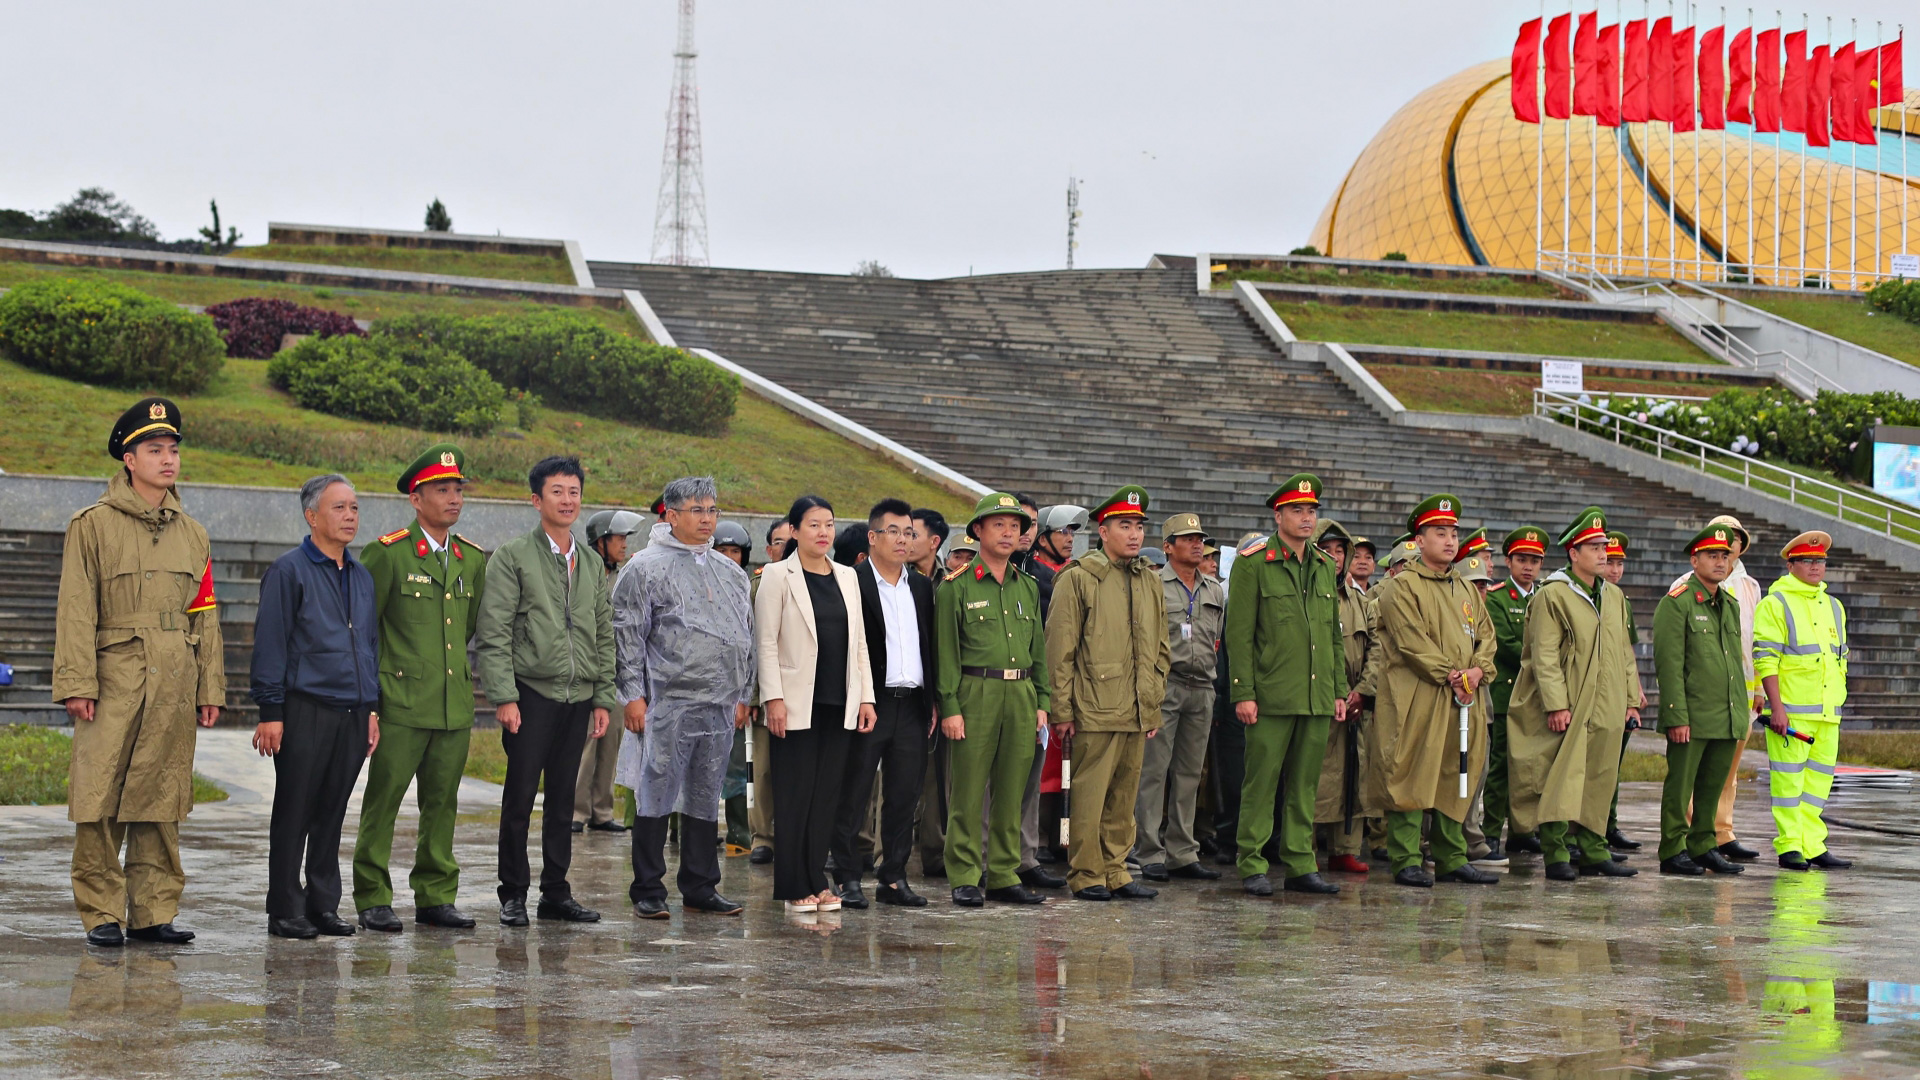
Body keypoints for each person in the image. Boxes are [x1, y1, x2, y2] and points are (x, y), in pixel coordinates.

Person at [55, 398, 224, 948]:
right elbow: (76, 607)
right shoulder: (92, 525)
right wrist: (78, 683)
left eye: (173, 450)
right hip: (114, 679)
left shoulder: (193, 533)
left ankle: (153, 911)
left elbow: (206, 616)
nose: (168, 460)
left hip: (174, 680)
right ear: (129, 459)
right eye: (155, 450)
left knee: (162, 793)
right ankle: (102, 912)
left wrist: (209, 686)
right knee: (99, 795)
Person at [352, 444, 487, 935]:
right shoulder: (388, 553)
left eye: (457, 489)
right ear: (416, 498)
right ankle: (372, 896)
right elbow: (364, 630)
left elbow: (467, 627)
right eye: (441, 490)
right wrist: (370, 700)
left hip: (452, 706)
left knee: (443, 802)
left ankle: (435, 895)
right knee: (383, 801)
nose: (453, 498)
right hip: (401, 703)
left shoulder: (470, 559)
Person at [475, 456, 615, 927]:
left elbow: (602, 632)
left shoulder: (592, 562)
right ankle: (512, 892)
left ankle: (556, 891)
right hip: (531, 695)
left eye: (574, 491)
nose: (567, 500)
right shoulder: (513, 556)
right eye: (557, 491)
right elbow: (493, 632)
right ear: (537, 500)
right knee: (518, 799)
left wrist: (601, 696)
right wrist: (505, 696)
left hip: (578, 698)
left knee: (562, 802)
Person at [614, 476, 754, 919]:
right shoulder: (645, 568)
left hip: (719, 703)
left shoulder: (730, 572)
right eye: (697, 510)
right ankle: (648, 887)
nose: (707, 519)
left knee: (705, 792)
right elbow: (628, 636)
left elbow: (744, 636)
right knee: (656, 790)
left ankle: (700, 884)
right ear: (671, 515)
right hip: (666, 702)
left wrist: (744, 692)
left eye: (712, 509)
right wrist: (632, 695)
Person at [251, 474, 381, 939]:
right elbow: (270, 643)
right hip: (305, 707)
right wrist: (271, 712)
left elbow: (369, 644)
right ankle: (286, 908)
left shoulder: (361, 575)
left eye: (354, 508)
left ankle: (324, 904)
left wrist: (371, 708)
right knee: (295, 810)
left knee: (332, 811)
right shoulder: (289, 571)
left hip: (352, 711)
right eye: (339, 508)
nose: (350, 516)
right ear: (312, 516)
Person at [1225, 474, 1347, 897]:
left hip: (1314, 695)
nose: (1307, 518)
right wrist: (1243, 691)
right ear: (1278, 515)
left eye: (1312, 511)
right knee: (1261, 782)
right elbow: (1238, 633)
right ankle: (1252, 863)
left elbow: (1333, 632)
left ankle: (1300, 862)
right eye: (1297, 510)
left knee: (1304, 784)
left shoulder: (1325, 564)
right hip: (1271, 694)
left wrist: (1337, 689)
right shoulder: (1254, 561)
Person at [755, 495, 878, 913]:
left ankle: (817, 880)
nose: (823, 532)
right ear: (793, 531)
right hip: (794, 703)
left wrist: (866, 697)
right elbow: (766, 643)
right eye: (813, 525)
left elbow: (859, 642)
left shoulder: (848, 576)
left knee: (827, 795)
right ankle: (794, 886)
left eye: (829, 524)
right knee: (795, 795)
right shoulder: (777, 575)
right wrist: (772, 698)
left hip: (838, 701)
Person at [1047, 486, 1169, 902]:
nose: (1134, 534)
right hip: (1094, 707)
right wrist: (1062, 710)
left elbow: (1161, 648)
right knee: (1090, 794)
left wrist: (1151, 703)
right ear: (1103, 530)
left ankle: (1117, 869)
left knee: (1124, 796)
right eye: (1124, 525)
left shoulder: (1148, 582)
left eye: (1139, 526)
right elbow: (1059, 651)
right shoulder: (1079, 578)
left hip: (1136, 708)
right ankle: (1086, 873)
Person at [1369, 496, 1498, 887]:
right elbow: (1412, 643)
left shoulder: (1466, 588)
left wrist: (1479, 670)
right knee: (1410, 775)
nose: (1449, 540)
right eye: (1439, 532)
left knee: (1454, 773)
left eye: (1453, 532)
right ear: (1419, 540)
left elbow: (1487, 637)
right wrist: (1457, 675)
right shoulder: (1402, 587)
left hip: (1463, 697)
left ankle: (1451, 856)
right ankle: (1406, 857)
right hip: (1419, 698)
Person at [1507, 507, 1641, 882]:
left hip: (1607, 701)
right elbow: (1543, 655)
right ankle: (1556, 851)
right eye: (1594, 548)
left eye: (1604, 547)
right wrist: (1556, 704)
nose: (1603, 554)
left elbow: (1622, 652)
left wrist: (1631, 699)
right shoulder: (1555, 594)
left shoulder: (1612, 596)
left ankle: (1594, 850)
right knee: (1560, 777)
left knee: (1599, 776)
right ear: (1573, 553)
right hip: (1570, 702)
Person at [935, 493, 1052, 905]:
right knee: (967, 791)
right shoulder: (956, 587)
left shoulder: (1028, 588)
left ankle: (1004, 872)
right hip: (975, 692)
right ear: (978, 531)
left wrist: (1042, 700)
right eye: (999, 524)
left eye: (1016, 526)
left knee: (1012, 789)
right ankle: (965, 873)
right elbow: (946, 653)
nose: (1009, 533)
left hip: (1020, 694)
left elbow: (1038, 649)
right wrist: (949, 706)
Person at [833, 499, 937, 908]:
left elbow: (928, 647)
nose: (902, 539)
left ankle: (892, 877)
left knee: (904, 795)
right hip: (866, 704)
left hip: (911, 705)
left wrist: (933, 701)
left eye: (908, 532)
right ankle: (845, 876)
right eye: (892, 531)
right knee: (853, 793)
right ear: (873, 537)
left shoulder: (922, 587)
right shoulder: (850, 582)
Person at [1653, 524, 1750, 876]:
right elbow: (1669, 663)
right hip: (1691, 715)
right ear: (1695, 560)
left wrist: (1739, 709)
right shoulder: (1677, 602)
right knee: (1680, 787)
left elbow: (1732, 662)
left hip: (1725, 714)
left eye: (1725, 555)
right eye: (1712, 555)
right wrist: (1676, 715)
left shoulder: (1729, 603)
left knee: (1712, 786)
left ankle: (1704, 845)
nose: (1720, 562)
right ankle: (1672, 849)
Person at [1134, 512, 1225, 882]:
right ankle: (1148, 851)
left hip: (1202, 687)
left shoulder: (1214, 589)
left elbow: (1216, 638)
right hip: (1166, 685)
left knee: (1190, 774)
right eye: (1187, 539)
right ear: (1168, 546)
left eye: (1199, 538)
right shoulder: (1154, 584)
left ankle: (1183, 851)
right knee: (1153, 772)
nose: (1196, 544)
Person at [1753, 531, 1851, 872]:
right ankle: (1790, 846)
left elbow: (1840, 658)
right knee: (1788, 783)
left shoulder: (1835, 607)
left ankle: (1813, 844)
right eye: (1807, 561)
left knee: (1817, 786)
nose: (1815, 566)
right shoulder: (1775, 604)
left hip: (1827, 713)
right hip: (1791, 712)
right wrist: (1775, 707)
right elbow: (1765, 658)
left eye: (1820, 561)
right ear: (1790, 564)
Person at [1669, 514, 1763, 864]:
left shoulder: (1750, 586)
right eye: (1724, 540)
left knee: (1728, 769)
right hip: (1705, 692)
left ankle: (1723, 831)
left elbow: (1754, 641)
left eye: (1736, 539)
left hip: (1740, 690)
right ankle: (1696, 833)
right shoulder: (1686, 583)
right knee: (1698, 769)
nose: (1731, 545)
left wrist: (1759, 690)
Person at [1310, 518, 1376, 876]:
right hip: (1317, 697)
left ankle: (1345, 848)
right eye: (1328, 549)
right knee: (1312, 777)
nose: (1335, 557)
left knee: (1354, 773)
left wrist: (1362, 691)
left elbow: (1378, 647)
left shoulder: (1359, 600)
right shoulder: (1309, 591)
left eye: (1340, 551)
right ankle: (1305, 849)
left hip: (1354, 701)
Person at [573, 509, 645, 836]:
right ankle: (576, 811)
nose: (624, 545)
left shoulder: (624, 577)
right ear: (600, 541)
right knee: (587, 744)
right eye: (618, 538)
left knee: (611, 744)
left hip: (618, 675)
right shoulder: (582, 574)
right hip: (588, 673)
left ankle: (601, 811)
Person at [1482, 525, 1547, 860]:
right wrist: (1547, 658)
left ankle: (1522, 832)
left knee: (1529, 772)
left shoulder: (1546, 597)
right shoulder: (1496, 598)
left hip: (1538, 699)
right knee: (1500, 769)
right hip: (1508, 696)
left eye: (1534, 561)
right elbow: (1506, 646)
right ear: (1509, 561)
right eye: (1522, 559)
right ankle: (1491, 833)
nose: (1528, 567)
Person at [746, 520, 795, 865]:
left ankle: (796, 836)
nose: (786, 548)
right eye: (780, 542)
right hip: (765, 692)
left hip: (804, 694)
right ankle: (762, 837)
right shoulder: (759, 585)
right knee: (761, 771)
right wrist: (750, 697)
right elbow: (749, 646)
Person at [1601, 530, 1649, 853]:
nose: (1615, 570)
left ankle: (1609, 824)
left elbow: (1627, 651)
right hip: (1599, 693)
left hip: (1620, 691)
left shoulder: (1622, 602)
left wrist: (1636, 692)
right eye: (1611, 562)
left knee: (1614, 765)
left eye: (1620, 563)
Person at [908, 509, 950, 580]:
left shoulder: (950, 580)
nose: (904, 540)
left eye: (913, 535)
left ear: (934, 542)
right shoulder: (892, 575)